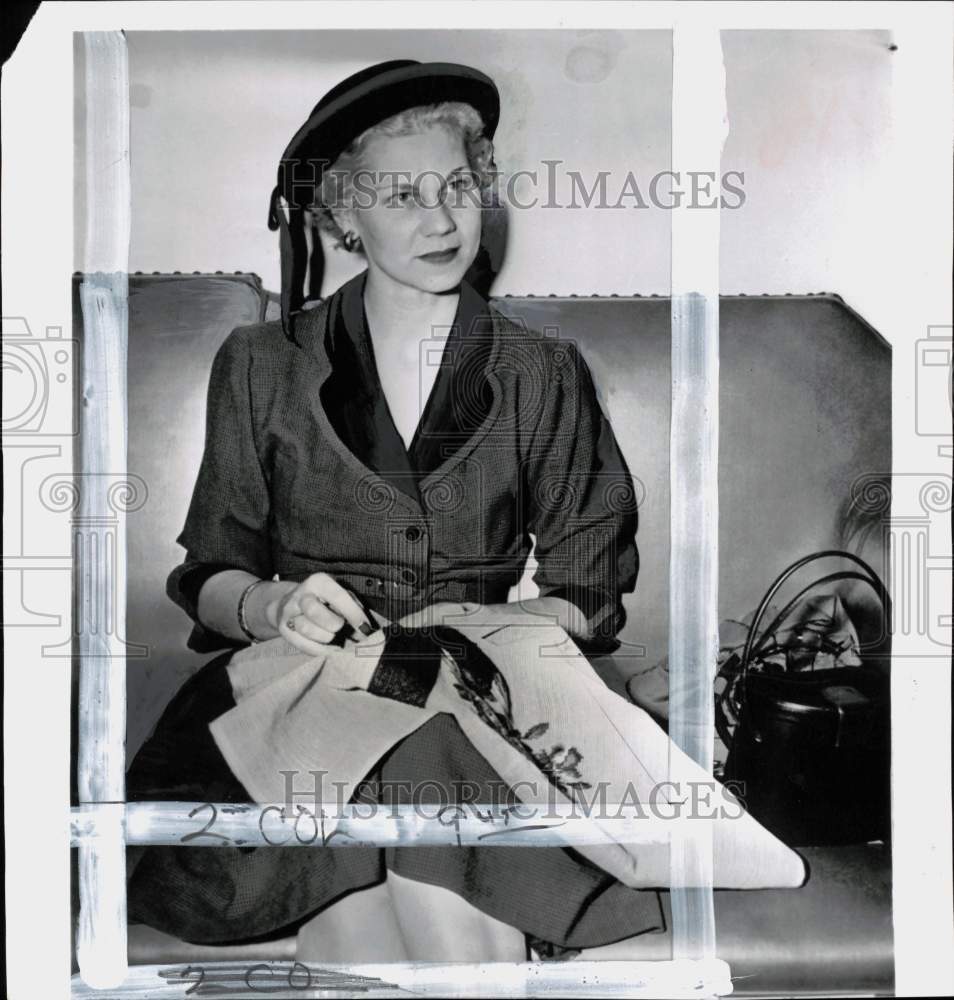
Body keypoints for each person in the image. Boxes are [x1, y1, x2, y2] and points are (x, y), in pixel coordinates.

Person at [126, 59, 662, 961]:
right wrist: (273, 606)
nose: (444, 218)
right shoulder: (260, 362)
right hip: (292, 694)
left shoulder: (542, 370)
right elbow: (208, 574)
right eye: (402, 193)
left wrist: (481, 637)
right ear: (343, 213)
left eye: (458, 185)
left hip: (482, 694)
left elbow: (590, 595)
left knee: (422, 761)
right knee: (382, 784)